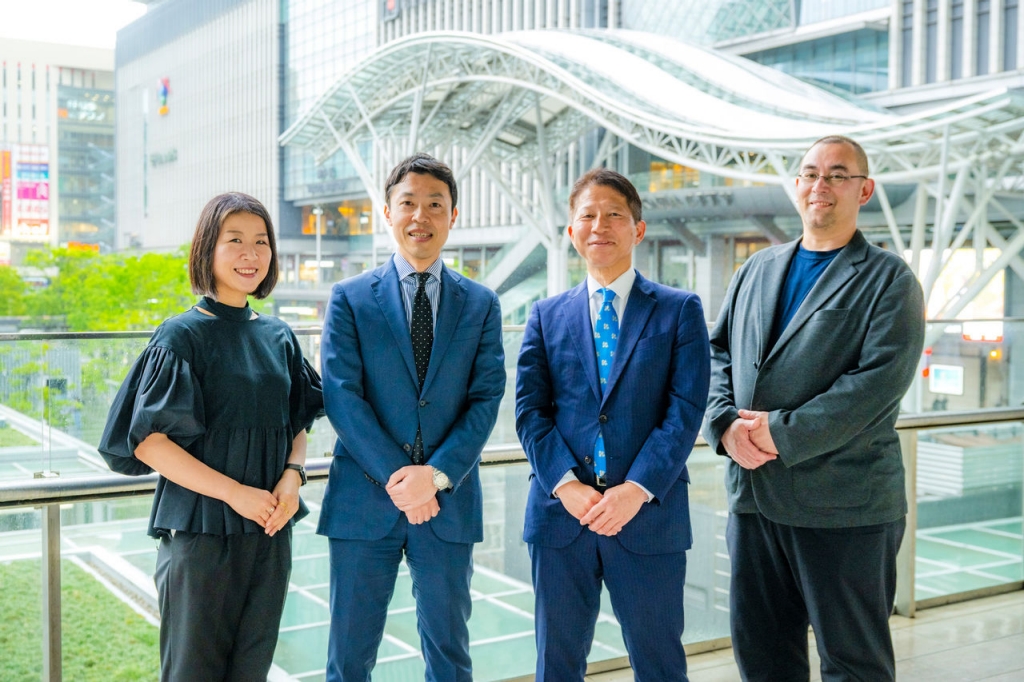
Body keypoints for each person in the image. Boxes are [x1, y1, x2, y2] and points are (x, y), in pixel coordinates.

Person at [702, 135, 926, 682]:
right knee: (762, 657)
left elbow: (875, 386)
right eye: (809, 173)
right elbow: (716, 354)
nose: (819, 185)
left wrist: (778, 432)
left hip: (844, 507)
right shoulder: (756, 268)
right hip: (754, 500)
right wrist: (724, 423)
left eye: (837, 174)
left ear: (864, 190)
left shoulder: (890, 279)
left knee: (853, 663)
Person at [98, 192, 324, 681]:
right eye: (235, 240)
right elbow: (149, 442)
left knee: (252, 670)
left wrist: (293, 476)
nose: (251, 254)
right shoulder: (180, 336)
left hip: (270, 531)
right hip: (201, 536)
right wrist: (236, 494)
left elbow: (297, 420)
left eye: (261, 242)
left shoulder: (279, 336)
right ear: (207, 249)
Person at [516, 168, 710, 681]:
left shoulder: (679, 310)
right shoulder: (544, 315)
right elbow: (530, 412)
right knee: (556, 666)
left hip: (648, 517)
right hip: (562, 518)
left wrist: (635, 489)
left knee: (660, 664)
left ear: (638, 229)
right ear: (571, 232)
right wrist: (567, 487)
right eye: (588, 216)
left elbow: (685, 411)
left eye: (614, 215)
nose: (599, 225)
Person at [318, 153, 506, 681]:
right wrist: (402, 480)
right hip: (363, 502)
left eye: (435, 205)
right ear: (387, 212)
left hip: (448, 503)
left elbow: (486, 398)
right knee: (349, 657)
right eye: (408, 203)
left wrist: (435, 477)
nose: (420, 216)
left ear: (453, 215)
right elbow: (341, 396)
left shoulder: (481, 303)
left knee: (449, 656)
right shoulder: (350, 298)